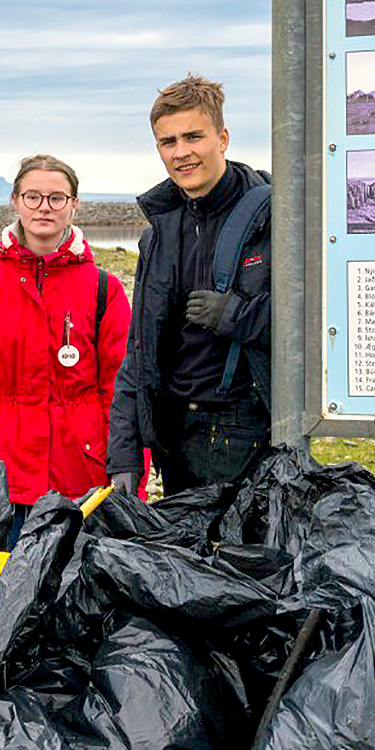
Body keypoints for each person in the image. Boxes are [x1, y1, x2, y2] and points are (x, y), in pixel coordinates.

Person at [0, 154, 129, 535]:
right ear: (16, 200)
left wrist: (128, 468)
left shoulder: (103, 289)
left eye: (57, 198)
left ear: (74, 205)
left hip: (83, 475)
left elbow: (121, 389)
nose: (44, 207)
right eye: (33, 196)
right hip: (5, 476)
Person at [107, 74, 272, 497]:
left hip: (251, 434)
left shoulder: (275, 217)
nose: (181, 153)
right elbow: (139, 347)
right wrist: (123, 454)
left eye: (193, 137)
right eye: (168, 142)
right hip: (177, 437)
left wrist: (236, 316)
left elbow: (317, 321)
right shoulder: (159, 232)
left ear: (223, 137)